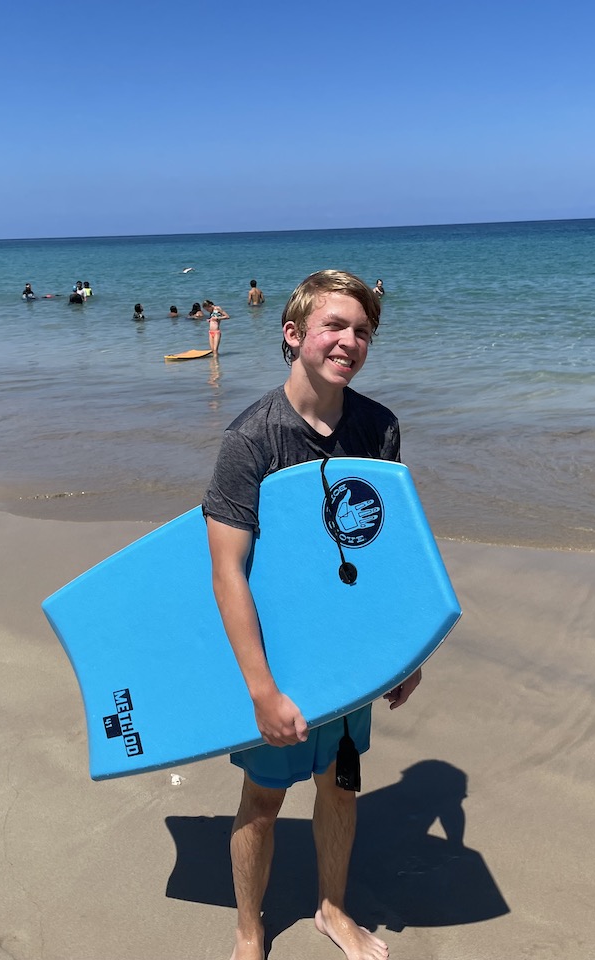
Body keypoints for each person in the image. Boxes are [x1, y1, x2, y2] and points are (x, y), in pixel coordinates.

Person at [202, 269, 418, 960]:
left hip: (347, 657)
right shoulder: (252, 441)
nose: (349, 341)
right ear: (294, 335)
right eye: (335, 326)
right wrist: (262, 689)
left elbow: (384, 556)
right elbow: (227, 572)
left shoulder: (378, 427)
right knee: (263, 801)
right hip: (282, 655)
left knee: (343, 788)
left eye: (361, 331)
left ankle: (332, 910)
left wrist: (404, 652)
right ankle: (247, 928)